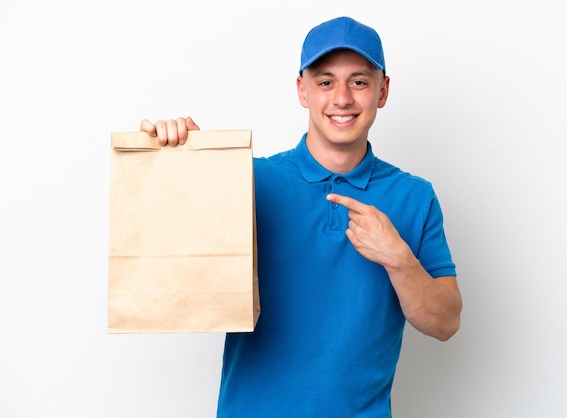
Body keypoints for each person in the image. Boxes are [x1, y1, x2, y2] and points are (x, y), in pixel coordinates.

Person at [141, 16, 462, 418]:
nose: (342, 98)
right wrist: (184, 159)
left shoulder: (415, 197)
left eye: (359, 81)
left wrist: (398, 257)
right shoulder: (251, 180)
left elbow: (445, 322)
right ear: (302, 91)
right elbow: (171, 252)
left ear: (383, 91)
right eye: (325, 82)